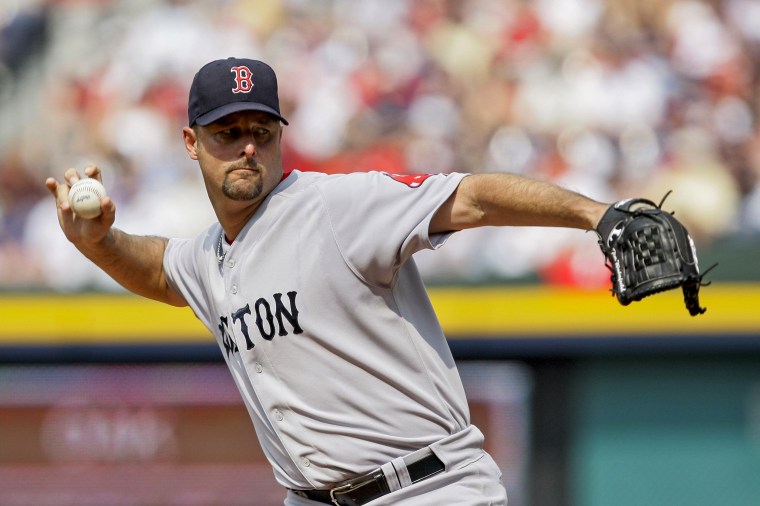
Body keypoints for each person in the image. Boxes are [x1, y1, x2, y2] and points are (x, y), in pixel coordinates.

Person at [46, 57, 609, 506]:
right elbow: (157, 267)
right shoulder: (208, 258)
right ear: (191, 143)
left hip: (427, 489)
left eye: (261, 130)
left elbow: (472, 197)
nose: (247, 145)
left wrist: (598, 215)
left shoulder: (337, 205)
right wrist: (96, 241)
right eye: (227, 131)